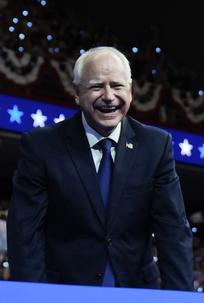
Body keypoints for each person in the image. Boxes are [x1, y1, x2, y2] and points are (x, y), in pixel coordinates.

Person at [8, 46, 193, 290]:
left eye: (117, 86)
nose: (108, 96)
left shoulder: (156, 146)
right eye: (97, 87)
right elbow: (25, 233)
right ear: (76, 92)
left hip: (135, 296)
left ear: (130, 90)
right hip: (64, 296)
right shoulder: (42, 146)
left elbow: (173, 230)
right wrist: (34, 300)